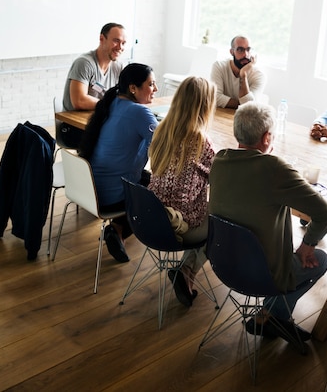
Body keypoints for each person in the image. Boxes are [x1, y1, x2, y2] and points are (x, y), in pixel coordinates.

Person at [209, 102, 327, 344]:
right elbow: (324, 213)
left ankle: (269, 316)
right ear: (267, 137)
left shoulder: (219, 160)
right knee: (322, 260)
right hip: (261, 274)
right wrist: (308, 245)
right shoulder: (274, 168)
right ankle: (272, 315)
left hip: (223, 263)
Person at [78, 63, 159, 263]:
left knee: (147, 179)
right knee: (160, 191)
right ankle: (118, 228)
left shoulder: (110, 102)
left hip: (89, 188)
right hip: (111, 197)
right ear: (133, 88)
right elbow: (162, 147)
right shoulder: (141, 113)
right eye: (151, 84)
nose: (155, 89)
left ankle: (118, 230)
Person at [147, 76, 216, 307]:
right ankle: (187, 269)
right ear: (204, 107)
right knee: (224, 220)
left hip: (153, 217)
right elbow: (220, 179)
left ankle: (185, 271)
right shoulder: (199, 141)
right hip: (180, 226)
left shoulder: (161, 131)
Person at [63, 23, 127, 111]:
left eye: (123, 43)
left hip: (101, 118)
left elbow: (125, 97)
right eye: (116, 41)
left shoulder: (119, 67)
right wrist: (110, 104)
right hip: (74, 123)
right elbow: (79, 101)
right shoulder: (84, 63)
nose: (120, 47)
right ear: (102, 39)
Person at [210, 35, 267, 109]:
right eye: (240, 50)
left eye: (248, 50)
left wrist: (243, 75)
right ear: (232, 52)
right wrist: (241, 104)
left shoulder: (259, 75)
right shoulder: (219, 66)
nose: (246, 55)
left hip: (246, 119)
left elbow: (249, 107)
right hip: (222, 115)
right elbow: (215, 97)